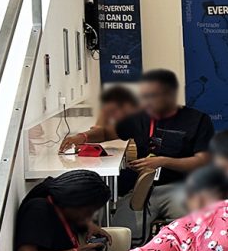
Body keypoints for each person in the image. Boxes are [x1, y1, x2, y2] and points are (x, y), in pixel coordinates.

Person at [61, 69, 214, 223]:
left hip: (181, 187)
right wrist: (82, 137)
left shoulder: (198, 120)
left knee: (184, 226)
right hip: (143, 186)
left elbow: (202, 161)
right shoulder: (141, 117)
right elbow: (107, 133)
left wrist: (163, 161)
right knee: (124, 225)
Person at [14, 170, 112, 251]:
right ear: (75, 203)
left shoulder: (63, 208)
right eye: (88, 211)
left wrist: (87, 224)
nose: (89, 216)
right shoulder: (38, 210)